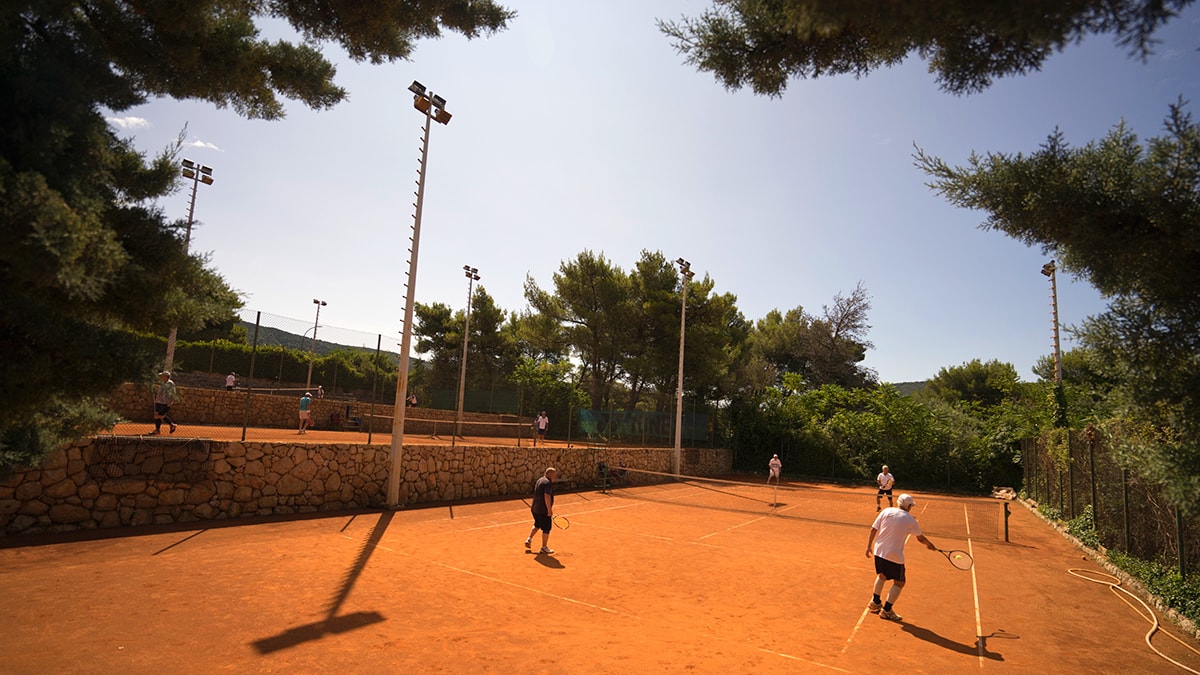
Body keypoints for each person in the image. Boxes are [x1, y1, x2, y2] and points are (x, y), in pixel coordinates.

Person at [864, 493, 938, 622]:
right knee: (900, 582)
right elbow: (920, 538)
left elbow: (873, 528)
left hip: (879, 551)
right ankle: (886, 610)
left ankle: (875, 602)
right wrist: (930, 544)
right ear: (909, 506)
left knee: (882, 575)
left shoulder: (886, 511)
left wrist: (869, 546)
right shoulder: (910, 520)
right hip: (894, 555)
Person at [524, 467, 558, 554]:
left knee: (537, 524)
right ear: (549, 474)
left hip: (534, 508)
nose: (555, 476)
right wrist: (549, 510)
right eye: (554, 475)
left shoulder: (540, 480)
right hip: (543, 510)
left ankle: (529, 539)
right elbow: (546, 496)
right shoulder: (548, 483)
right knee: (546, 528)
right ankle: (544, 547)